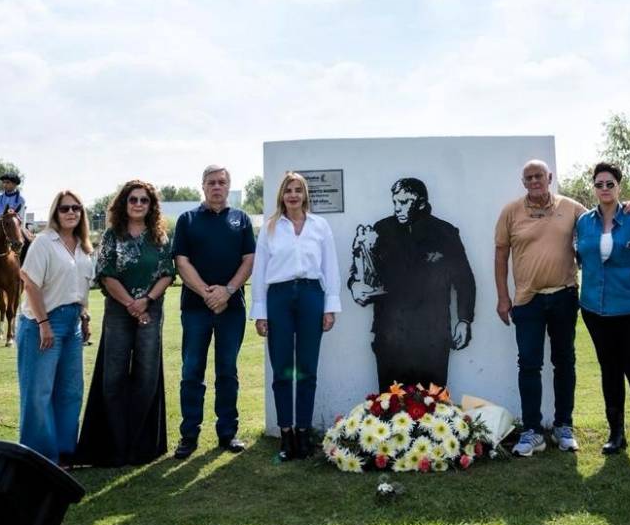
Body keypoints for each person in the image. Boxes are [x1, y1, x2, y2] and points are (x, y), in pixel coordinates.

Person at [495, 160, 630, 457]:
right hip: (527, 300)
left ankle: (564, 426)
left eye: (539, 176)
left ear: (549, 177)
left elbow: (602, 217)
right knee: (529, 364)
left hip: (564, 296)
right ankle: (532, 431)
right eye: (528, 177)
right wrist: (502, 297)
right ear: (523, 182)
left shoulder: (571, 208)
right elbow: (500, 255)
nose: (534, 181)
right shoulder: (511, 211)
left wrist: (625, 206)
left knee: (565, 362)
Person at [75, 180, 174, 467]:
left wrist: (146, 301)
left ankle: (139, 446)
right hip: (119, 312)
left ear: (151, 205)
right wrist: (132, 304)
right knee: (113, 378)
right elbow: (105, 274)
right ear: (124, 203)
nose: (139, 204)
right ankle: (116, 446)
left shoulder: (159, 236)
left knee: (147, 376)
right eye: (133, 199)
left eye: (144, 200)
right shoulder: (112, 235)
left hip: (150, 311)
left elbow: (168, 273)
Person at [349, 177, 475, 390]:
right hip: (390, 332)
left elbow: (464, 280)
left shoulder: (445, 233)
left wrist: (464, 320)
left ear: (421, 203)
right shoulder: (381, 230)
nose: (397, 208)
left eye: (404, 202)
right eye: (395, 202)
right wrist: (355, 286)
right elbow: (362, 272)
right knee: (390, 402)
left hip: (432, 333)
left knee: (432, 402)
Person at [252, 172, 341, 461]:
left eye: (298, 190)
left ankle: (303, 433)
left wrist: (330, 307)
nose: (293, 195)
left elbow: (330, 268)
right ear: (281, 195)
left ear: (305, 195)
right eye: (288, 190)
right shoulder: (270, 228)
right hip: (278, 297)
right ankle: (286, 434)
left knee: (306, 368)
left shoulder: (320, 226)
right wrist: (260, 312)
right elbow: (259, 272)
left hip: (311, 295)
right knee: (281, 369)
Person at [576, 162, 630, 461]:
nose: (604, 189)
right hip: (595, 310)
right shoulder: (583, 222)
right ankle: (616, 434)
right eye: (599, 184)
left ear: (619, 186)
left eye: (609, 183)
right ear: (594, 188)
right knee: (609, 371)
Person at [171, 164, 255, 460]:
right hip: (196, 308)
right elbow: (181, 261)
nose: (216, 186)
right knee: (192, 371)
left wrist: (227, 291)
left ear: (228, 186)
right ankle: (189, 434)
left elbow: (249, 259)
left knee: (227, 371)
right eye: (211, 182)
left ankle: (227, 432)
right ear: (203, 186)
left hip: (231, 308)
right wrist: (207, 293)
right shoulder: (187, 219)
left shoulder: (241, 219)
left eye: (221, 182)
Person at [17, 190, 94, 465]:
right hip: (43, 323)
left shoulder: (84, 247)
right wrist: (43, 324)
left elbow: (80, 287)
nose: (71, 212)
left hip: (73, 323)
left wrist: (84, 317)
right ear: (55, 212)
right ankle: (40, 457)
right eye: (65, 208)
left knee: (71, 391)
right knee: (39, 392)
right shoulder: (44, 242)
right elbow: (30, 284)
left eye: (76, 208)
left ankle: (64, 453)